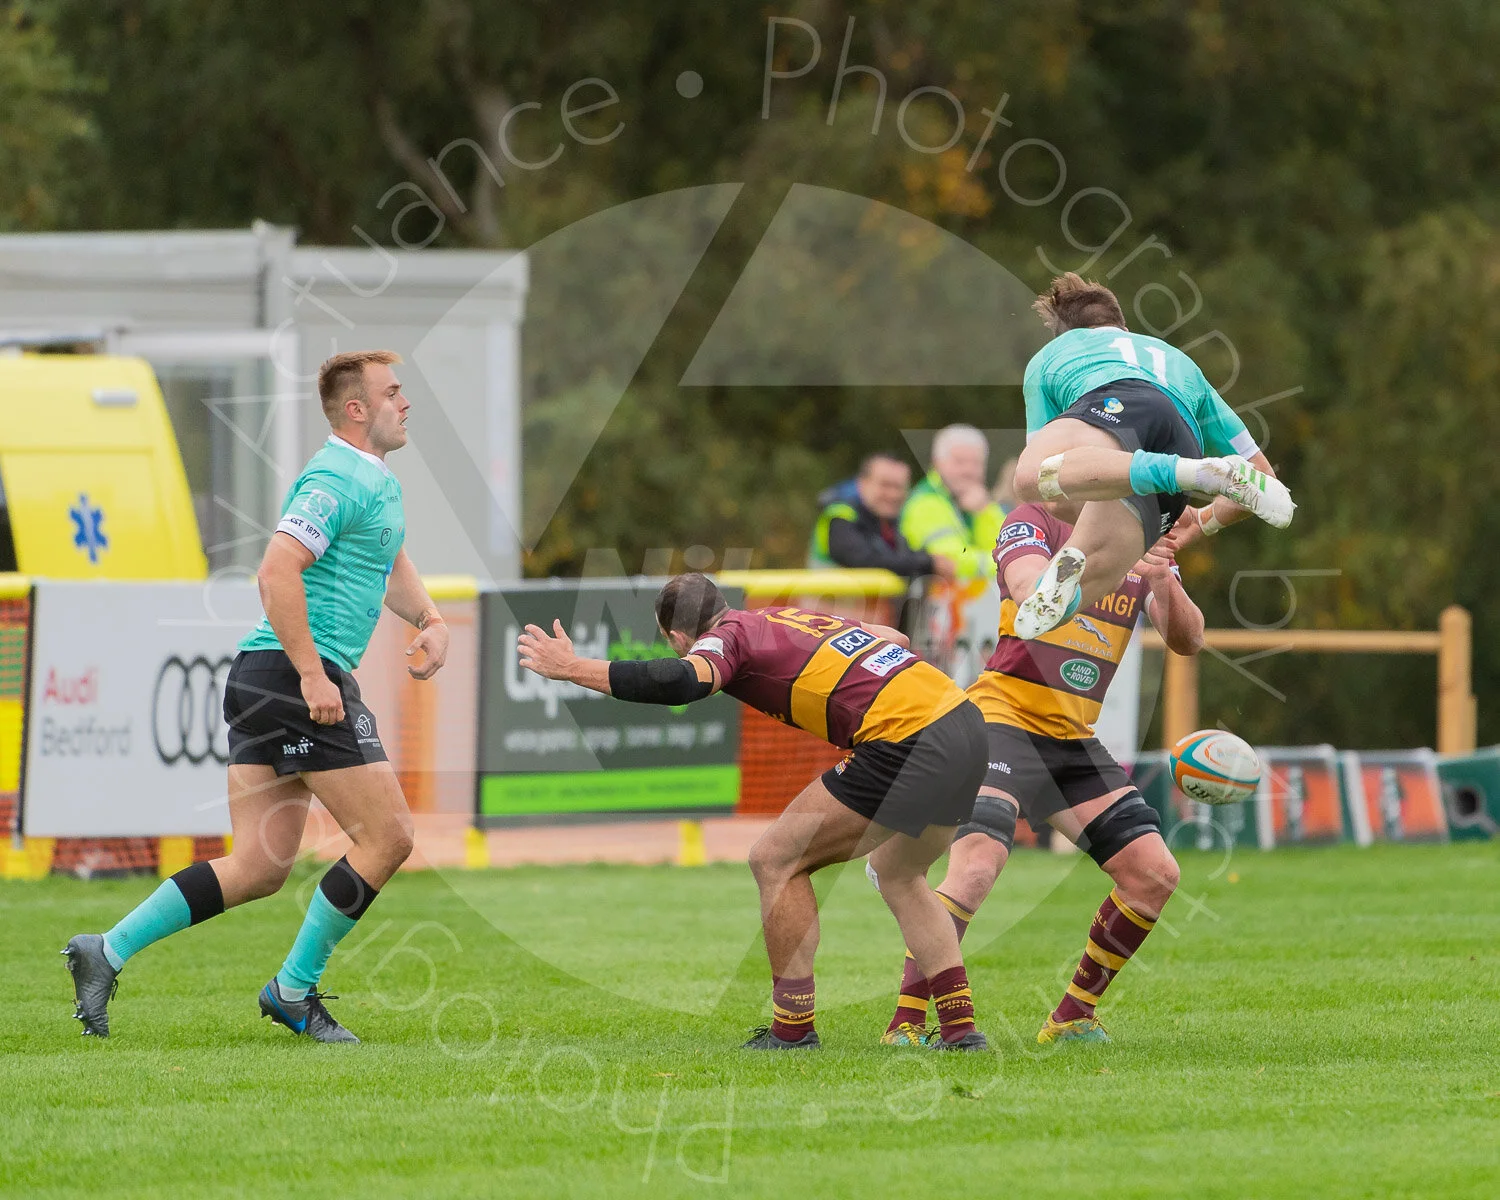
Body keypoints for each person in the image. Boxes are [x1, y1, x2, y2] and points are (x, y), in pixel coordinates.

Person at [63, 350, 450, 1043]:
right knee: (388, 835)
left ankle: (105, 951)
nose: (406, 402)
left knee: (257, 869)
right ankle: (293, 992)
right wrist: (310, 675)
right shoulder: (334, 475)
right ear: (356, 409)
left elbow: (388, 559)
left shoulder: (376, 480)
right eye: (394, 393)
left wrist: (430, 618)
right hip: (292, 677)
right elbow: (277, 573)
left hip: (272, 677)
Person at [516, 572, 990, 1051]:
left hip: (906, 737)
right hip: (965, 722)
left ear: (677, 637)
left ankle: (792, 1030)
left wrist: (573, 667)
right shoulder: (786, 616)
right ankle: (961, 1029)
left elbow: (685, 682)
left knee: (776, 860)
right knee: (899, 875)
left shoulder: (727, 638)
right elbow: (894, 638)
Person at [870, 501, 1204, 1046]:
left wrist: (1161, 570)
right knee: (978, 864)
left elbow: (1188, 640)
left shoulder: (1140, 538)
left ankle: (1073, 1017)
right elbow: (1031, 589)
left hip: (1070, 740)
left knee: (1154, 875)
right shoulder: (1035, 519)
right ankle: (905, 1023)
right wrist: (1113, 560)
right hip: (998, 719)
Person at [1009, 272, 1294, 640]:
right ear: (1121, 325)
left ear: (1065, 331)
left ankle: (1182, 475)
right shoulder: (1180, 361)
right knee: (1060, 603)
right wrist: (1203, 520)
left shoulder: (1052, 355)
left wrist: (1091, 514)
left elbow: (1053, 484)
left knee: (1031, 478)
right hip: (1182, 434)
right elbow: (1264, 476)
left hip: (1114, 403)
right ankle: (1066, 576)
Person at [807, 453, 955, 582]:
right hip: (827, 611)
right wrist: (928, 563)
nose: (893, 494)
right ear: (862, 483)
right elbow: (862, 560)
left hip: (867, 612)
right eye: (885, 485)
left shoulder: (894, 523)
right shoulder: (841, 515)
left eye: (899, 487)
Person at [900, 425, 1006, 583]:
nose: (968, 470)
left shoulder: (979, 502)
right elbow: (953, 563)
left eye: (976, 463)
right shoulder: (925, 503)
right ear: (936, 463)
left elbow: (1010, 544)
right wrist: (1011, 565)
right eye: (960, 462)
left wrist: (985, 511)